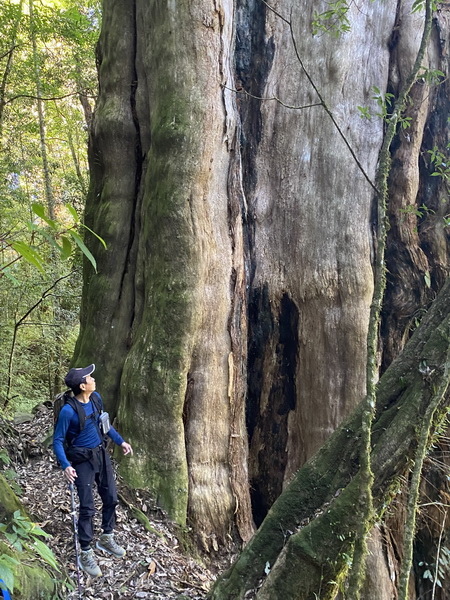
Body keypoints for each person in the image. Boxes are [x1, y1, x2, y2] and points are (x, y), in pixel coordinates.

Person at [53, 364, 133, 578]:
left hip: (101, 453)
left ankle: (106, 537)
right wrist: (66, 465)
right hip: (81, 461)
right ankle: (86, 551)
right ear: (82, 385)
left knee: (111, 497)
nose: (93, 378)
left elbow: (104, 425)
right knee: (87, 506)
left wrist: (120, 442)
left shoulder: (96, 398)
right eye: (89, 377)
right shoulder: (68, 411)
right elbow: (58, 441)